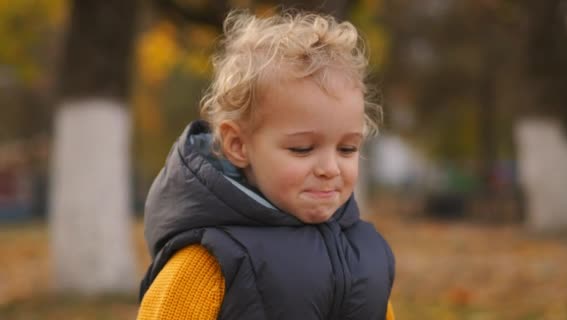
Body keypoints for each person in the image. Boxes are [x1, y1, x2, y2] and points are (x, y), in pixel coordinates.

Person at [137, 9, 395, 320]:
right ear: (238, 145)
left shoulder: (365, 255)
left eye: (347, 148)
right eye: (302, 149)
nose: (330, 168)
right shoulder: (211, 260)